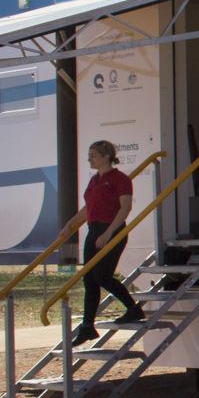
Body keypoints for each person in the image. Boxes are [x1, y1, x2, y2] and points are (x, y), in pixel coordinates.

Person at [62, 140, 145, 346]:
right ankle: (87, 327)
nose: (89, 159)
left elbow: (124, 208)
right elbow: (88, 208)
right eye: (89, 155)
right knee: (89, 279)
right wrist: (70, 225)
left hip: (112, 231)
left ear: (106, 156)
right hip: (94, 231)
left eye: (93, 156)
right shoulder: (94, 180)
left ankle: (133, 309)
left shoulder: (120, 179)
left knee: (102, 276)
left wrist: (109, 233)